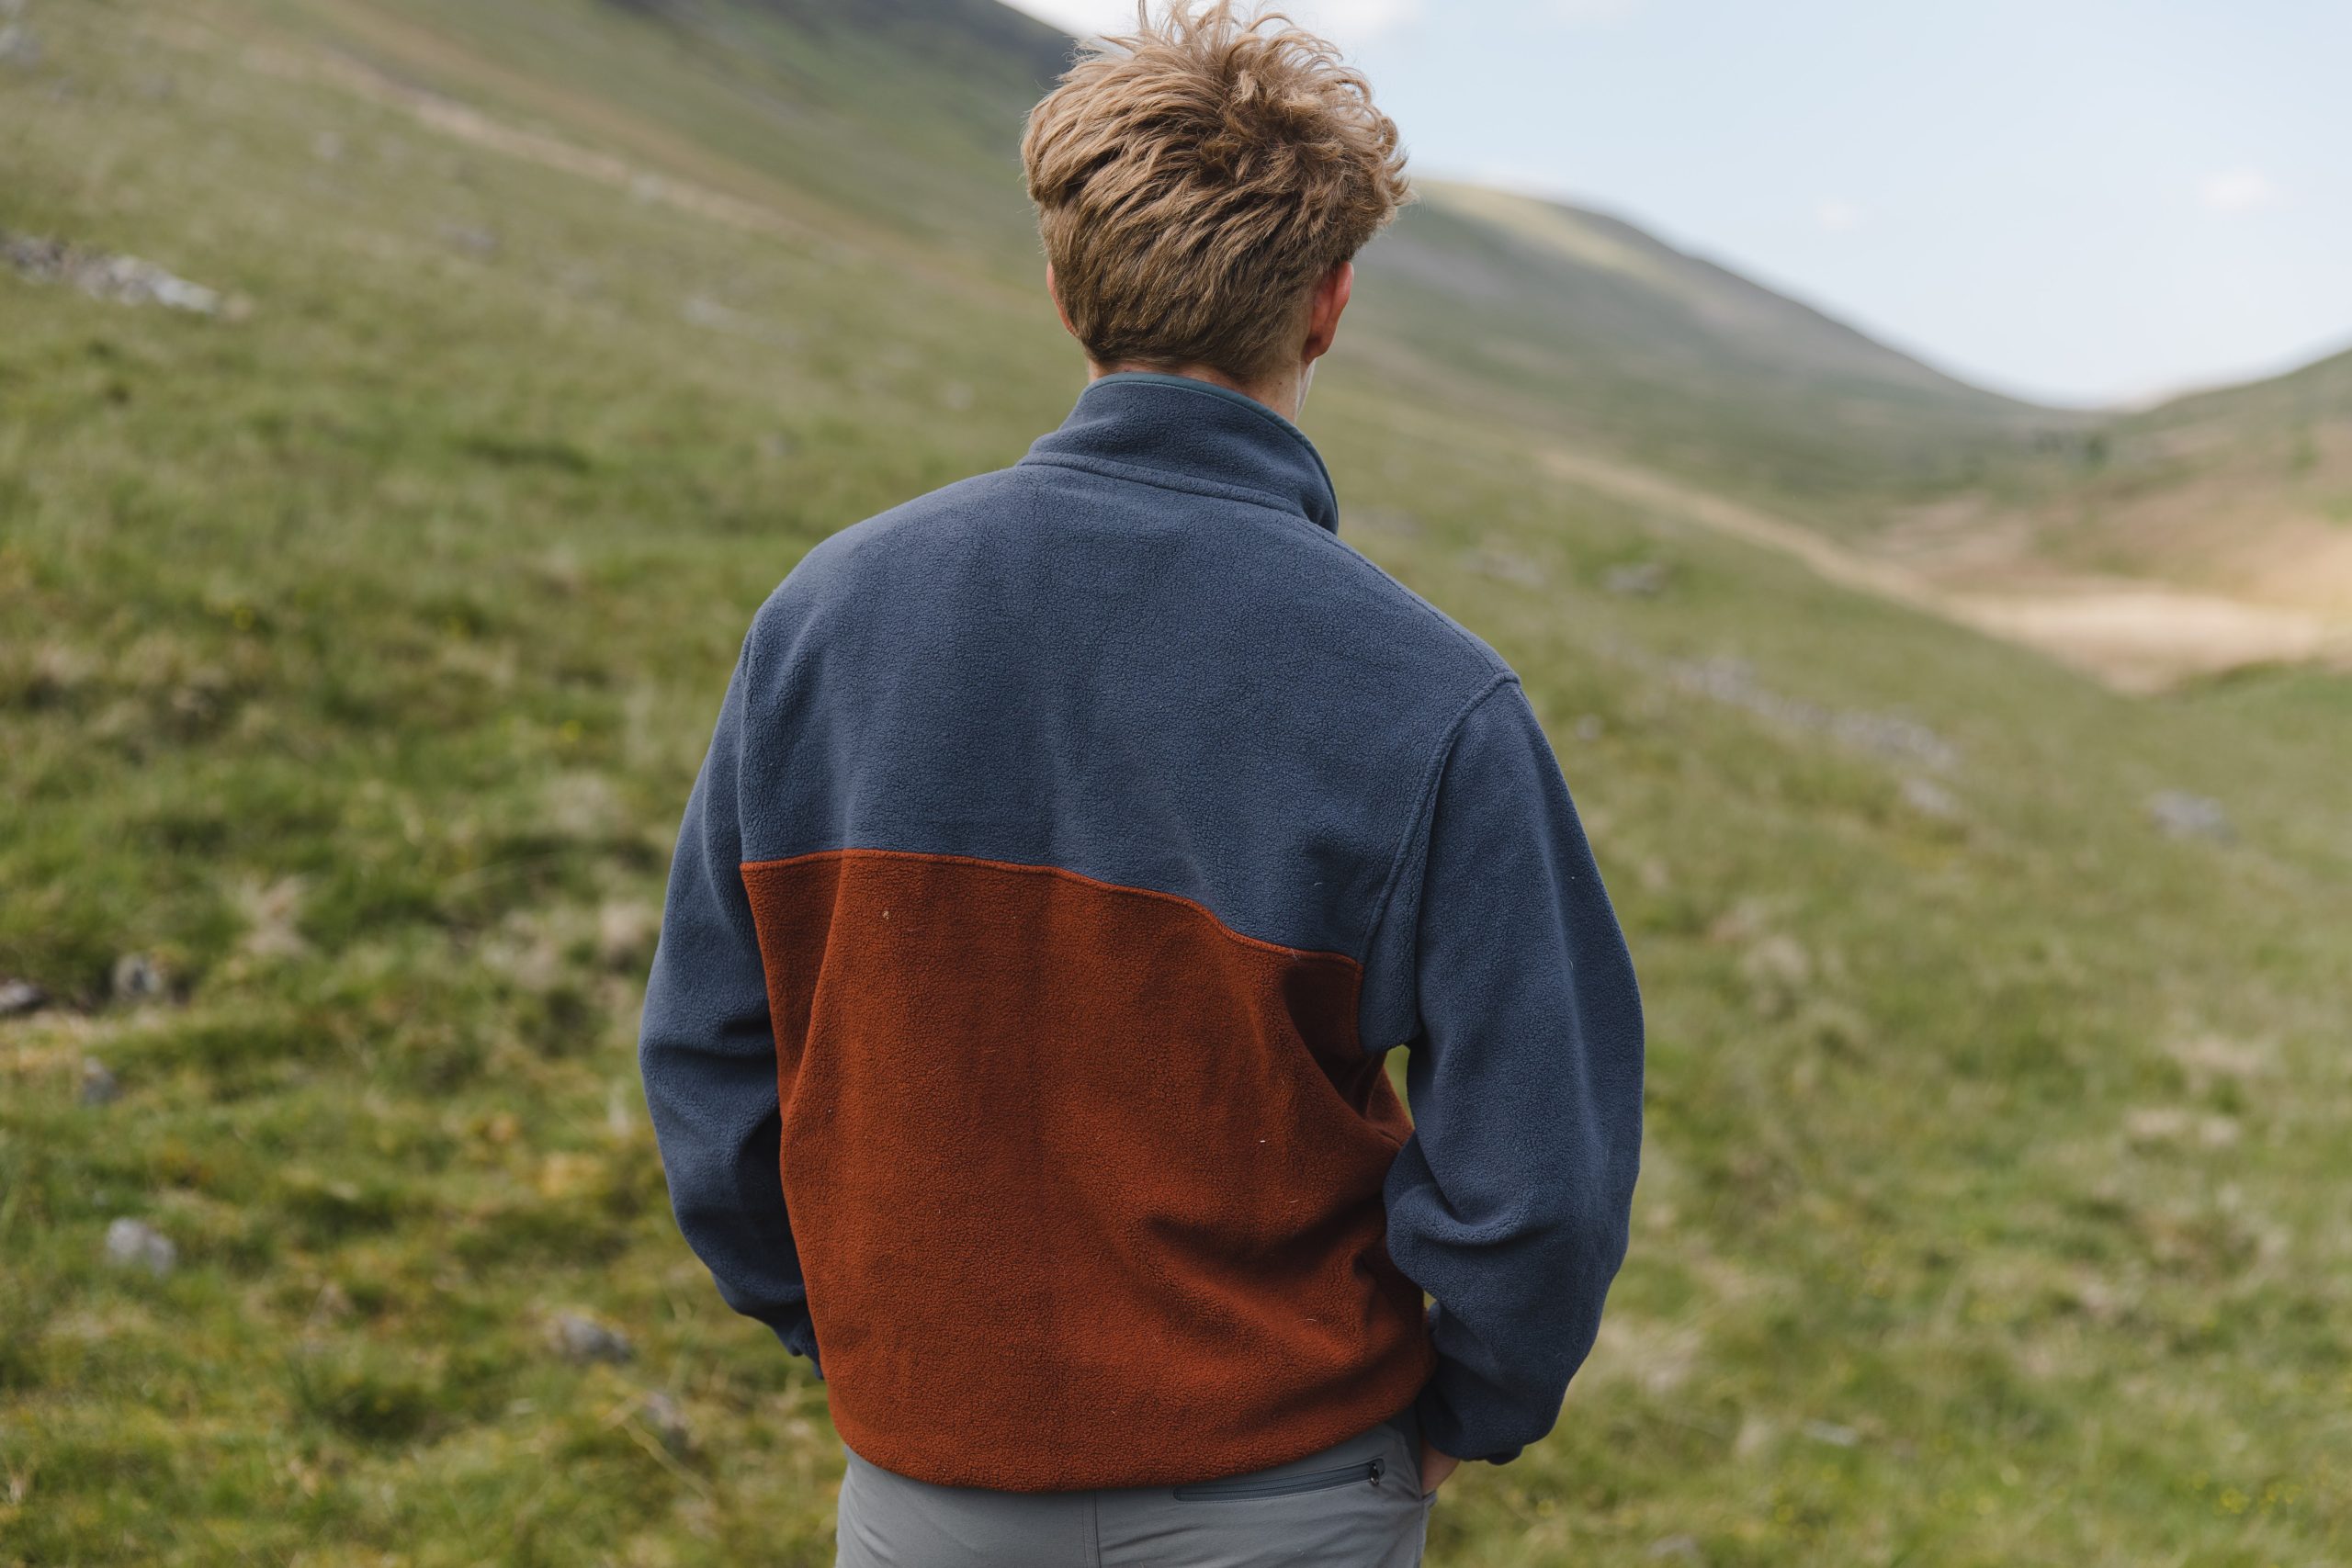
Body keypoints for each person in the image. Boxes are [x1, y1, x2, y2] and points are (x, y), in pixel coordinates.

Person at [637, 4, 1645, 1563]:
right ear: (1329, 303)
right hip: (1296, 1495)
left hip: (924, 1491)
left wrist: (860, 1338)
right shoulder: (1438, 699)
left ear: (1063, 289)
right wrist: (1470, 1409)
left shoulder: (826, 619)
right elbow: (1540, 1181)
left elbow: (712, 1058)